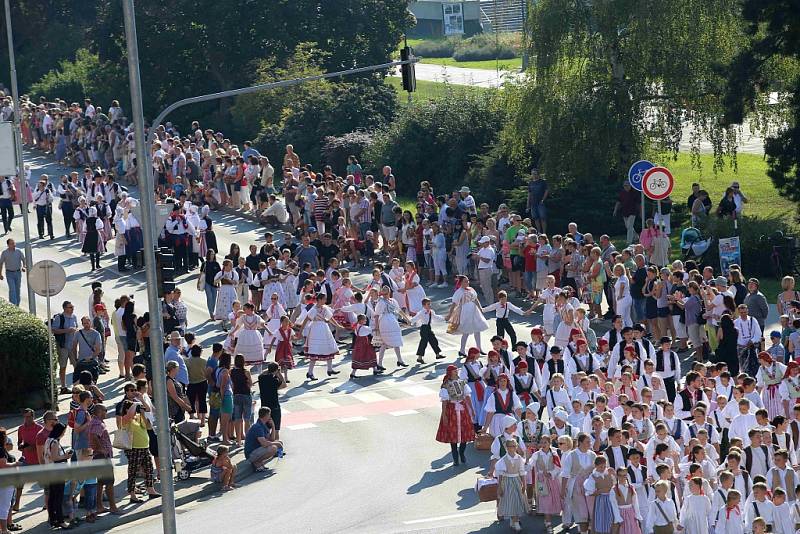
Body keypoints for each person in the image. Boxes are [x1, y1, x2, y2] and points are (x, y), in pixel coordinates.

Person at [118, 399, 160, 502]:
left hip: (145, 447)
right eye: (132, 408)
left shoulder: (138, 417)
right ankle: (132, 495)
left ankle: (151, 490)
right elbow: (128, 416)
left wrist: (141, 406)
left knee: (149, 469)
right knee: (133, 472)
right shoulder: (125, 419)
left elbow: (148, 425)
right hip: (134, 449)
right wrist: (135, 404)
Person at [436, 365, 476, 466]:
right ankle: (455, 457)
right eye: (454, 371)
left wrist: (471, 409)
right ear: (450, 373)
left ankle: (462, 452)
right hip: (451, 410)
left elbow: (467, 397)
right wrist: (444, 414)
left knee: (465, 431)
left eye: (456, 370)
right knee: (452, 432)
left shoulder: (462, 383)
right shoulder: (446, 385)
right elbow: (444, 401)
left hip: (462, 409)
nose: (456, 372)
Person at [495, 438, 529, 532]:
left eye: (514, 446)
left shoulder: (519, 459)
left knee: (518, 500)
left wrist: (524, 484)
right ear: (507, 447)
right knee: (511, 501)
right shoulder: (503, 460)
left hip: (517, 481)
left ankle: (514, 520)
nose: (512, 448)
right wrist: (500, 487)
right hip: (508, 482)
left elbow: (522, 472)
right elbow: (500, 475)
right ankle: (515, 522)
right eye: (510, 446)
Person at [43, 422, 71, 529]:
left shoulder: (48, 440)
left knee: (52, 497)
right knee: (58, 497)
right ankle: (60, 521)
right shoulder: (54, 442)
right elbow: (55, 458)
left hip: (49, 471)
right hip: (57, 472)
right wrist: (66, 456)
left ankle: (53, 519)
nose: (64, 433)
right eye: (64, 431)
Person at [244, 407, 281, 472]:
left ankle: (259, 462)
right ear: (266, 415)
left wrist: (273, 426)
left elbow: (272, 439)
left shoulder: (263, 425)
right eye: (269, 414)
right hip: (251, 453)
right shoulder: (258, 427)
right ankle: (256, 462)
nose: (270, 416)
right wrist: (276, 444)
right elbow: (264, 444)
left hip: (257, 450)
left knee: (277, 443)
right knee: (273, 448)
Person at [258, 363, 286, 440]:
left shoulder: (261, 379)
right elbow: (284, 385)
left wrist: (269, 370)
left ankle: (267, 445)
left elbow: (261, 374)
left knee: (266, 429)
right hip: (274, 406)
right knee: (276, 429)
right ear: (276, 370)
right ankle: (276, 447)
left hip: (264, 406)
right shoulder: (275, 380)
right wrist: (279, 374)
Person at [0, 239, 25, 306]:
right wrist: (0, 274)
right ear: (8, 245)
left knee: (17, 290)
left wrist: (24, 267)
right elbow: (1, 263)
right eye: (11, 244)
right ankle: (13, 305)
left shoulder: (18, 251)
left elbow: (23, 260)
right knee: (12, 289)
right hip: (9, 273)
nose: (13, 245)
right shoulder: (4, 253)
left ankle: (17, 306)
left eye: (14, 243)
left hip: (18, 273)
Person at [614, 180, 640, 245]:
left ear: (630, 185)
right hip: (624, 212)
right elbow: (618, 202)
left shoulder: (634, 192)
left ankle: (629, 242)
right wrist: (615, 210)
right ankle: (636, 237)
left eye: (627, 185)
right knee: (628, 226)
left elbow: (638, 203)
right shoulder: (622, 193)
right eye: (624, 186)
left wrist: (640, 212)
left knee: (630, 226)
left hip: (632, 212)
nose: (626, 187)